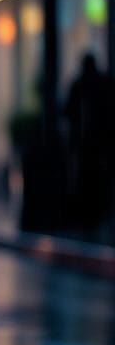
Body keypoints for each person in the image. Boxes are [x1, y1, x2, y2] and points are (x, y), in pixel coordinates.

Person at [62, 53, 115, 233]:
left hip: (91, 145)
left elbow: (68, 111)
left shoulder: (82, 85)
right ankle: (93, 216)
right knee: (93, 180)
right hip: (93, 145)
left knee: (90, 180)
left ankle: (92, 216)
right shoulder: (97, 84)